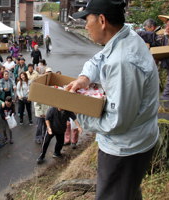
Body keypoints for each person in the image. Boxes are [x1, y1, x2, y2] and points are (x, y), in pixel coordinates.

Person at [68, 1, 160, 199]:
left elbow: (116, 122)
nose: (85, 26)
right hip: (134, 140)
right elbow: (98, 59)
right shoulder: (124, 36)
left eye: (87, 20)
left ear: (102, 20)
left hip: (125, 148)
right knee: (127, 192)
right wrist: (85, 78)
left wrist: (78, 111)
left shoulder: (123, 62)